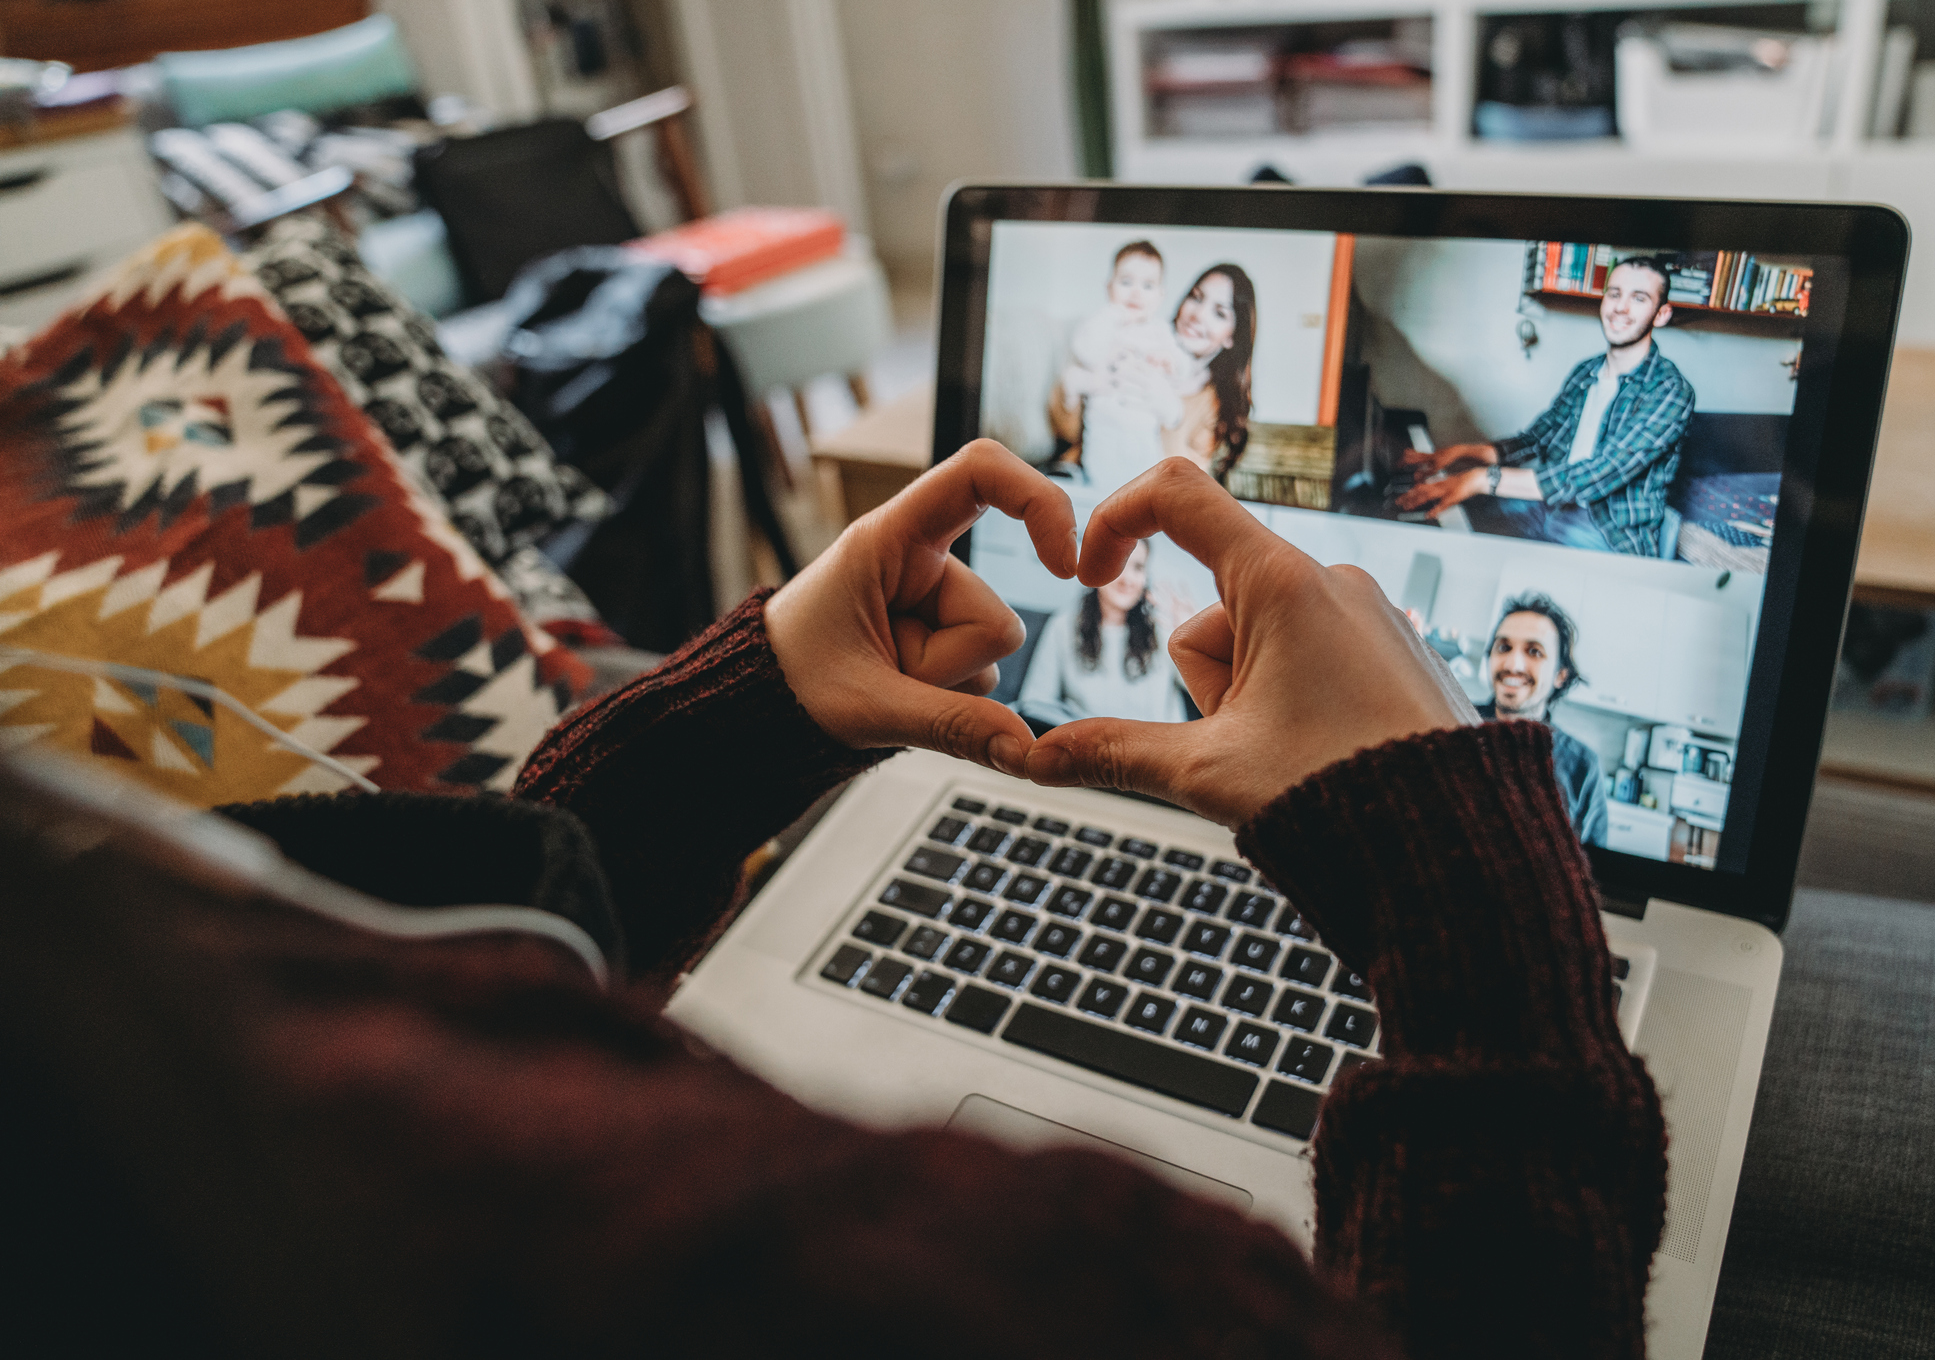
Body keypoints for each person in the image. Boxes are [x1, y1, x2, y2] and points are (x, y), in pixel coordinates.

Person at [4, 446, 1664, 1359]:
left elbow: (443, 1008)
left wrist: (696, 748)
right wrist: (1479, 928)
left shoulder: (146, 1080)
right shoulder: (1018, 1278)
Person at [1396, 254, 1696, 558]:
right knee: (1456, 527)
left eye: (1639, 298)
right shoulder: (1586, 372)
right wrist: (1463, 453)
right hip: (1548, 505)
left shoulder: (1671, 392)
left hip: (1608, 531)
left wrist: (1481, 479)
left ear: (1661, 314)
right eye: (1614, 293)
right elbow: (1535, 440)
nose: (1620, 307)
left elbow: (1594, 476)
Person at [1051, 262, 1257, 484]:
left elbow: (1184, 484)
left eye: (1219, 313)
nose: (1198, 315)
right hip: (1079, 478)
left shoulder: (1211, 403)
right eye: (1196, 298)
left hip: (1142, 498)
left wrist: (1169, 413)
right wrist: (1073, 390)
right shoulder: (1139, 339)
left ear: (1231, 336)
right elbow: (1068, 433)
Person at [1015, 537, 1192, 726]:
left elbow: (1208, 692)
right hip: (1091, 750)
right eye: (1119, 565)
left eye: (1138, 567)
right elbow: (1034, 703)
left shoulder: (1162, 628)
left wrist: (1194, 638)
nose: (1128, 579)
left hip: (1157, 750)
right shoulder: (1064, 626)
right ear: (1095, 569)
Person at [1480, 593, 1608, 848]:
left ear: (1560, 675)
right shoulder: (1449, 723)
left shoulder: (1582, 765)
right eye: (1503, 647)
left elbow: (1592, 869)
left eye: (1534, 652)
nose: (1513, 664)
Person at [1062, 240, 1188, 491]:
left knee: (1144, 488)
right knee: (1101, 487)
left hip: (1143, 433)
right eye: (1126, 282)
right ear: (1109, 287)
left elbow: (1182, 368)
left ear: (1160, 296)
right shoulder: (1102, 324)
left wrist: (1169, 361)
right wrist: (1110, 315)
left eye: (1148, 285)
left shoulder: (1160, 332)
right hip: (1103, 428)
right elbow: (1084, 350)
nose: (1136, 293)